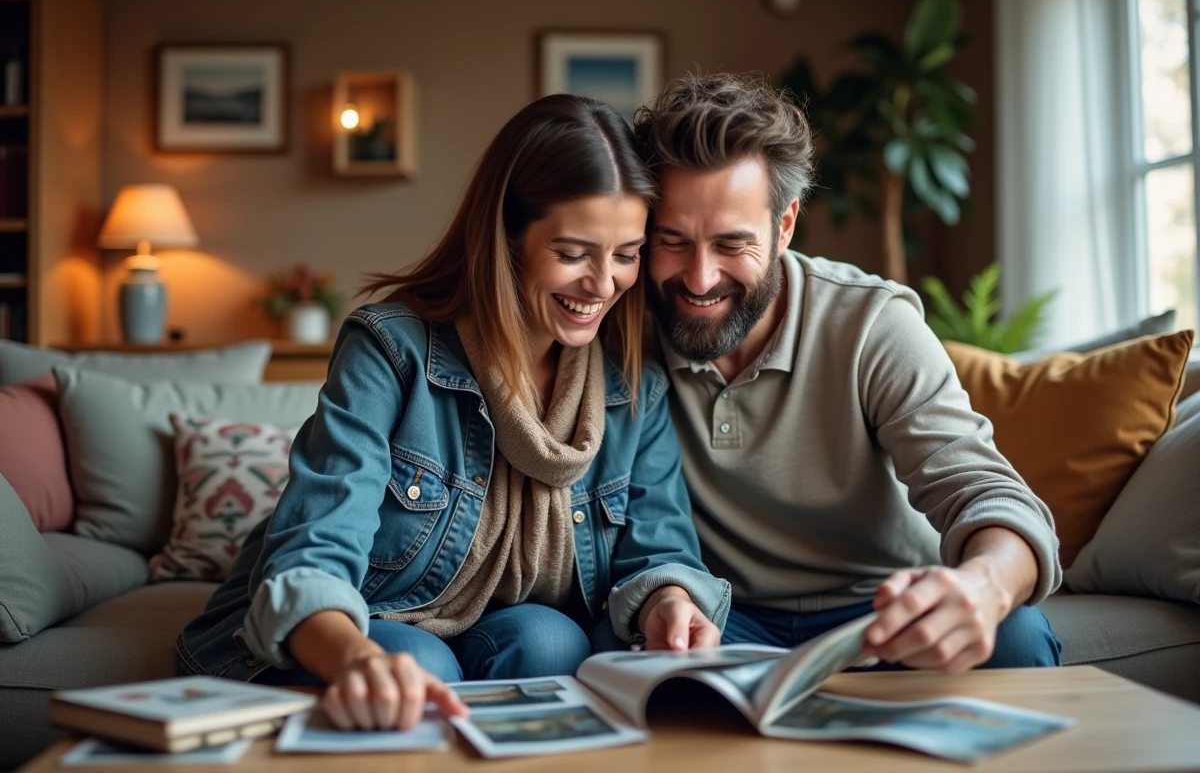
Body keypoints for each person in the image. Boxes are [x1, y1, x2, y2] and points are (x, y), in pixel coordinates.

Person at [177, 94, 729, 732]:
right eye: (573, 253)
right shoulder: (391, 349)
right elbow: (315, 545)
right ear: (507, 239)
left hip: (498, 626)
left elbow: (659, 550)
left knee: (551, 642)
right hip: (363, 618)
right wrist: (357, 659)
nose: (603, 284)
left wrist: (670, 600)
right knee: (422, 663)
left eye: (627, 254)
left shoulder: (634, 390)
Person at [632, 72, 1062, 673]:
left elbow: (987, 494)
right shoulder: (626, 330)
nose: (700, 278)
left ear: (785, 225)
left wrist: (983, 586)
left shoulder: (871, 324)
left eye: (732, 245)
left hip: (885, 611)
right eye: (673, 241)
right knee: (610, 640)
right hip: (723, 616)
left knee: (1015, 634)